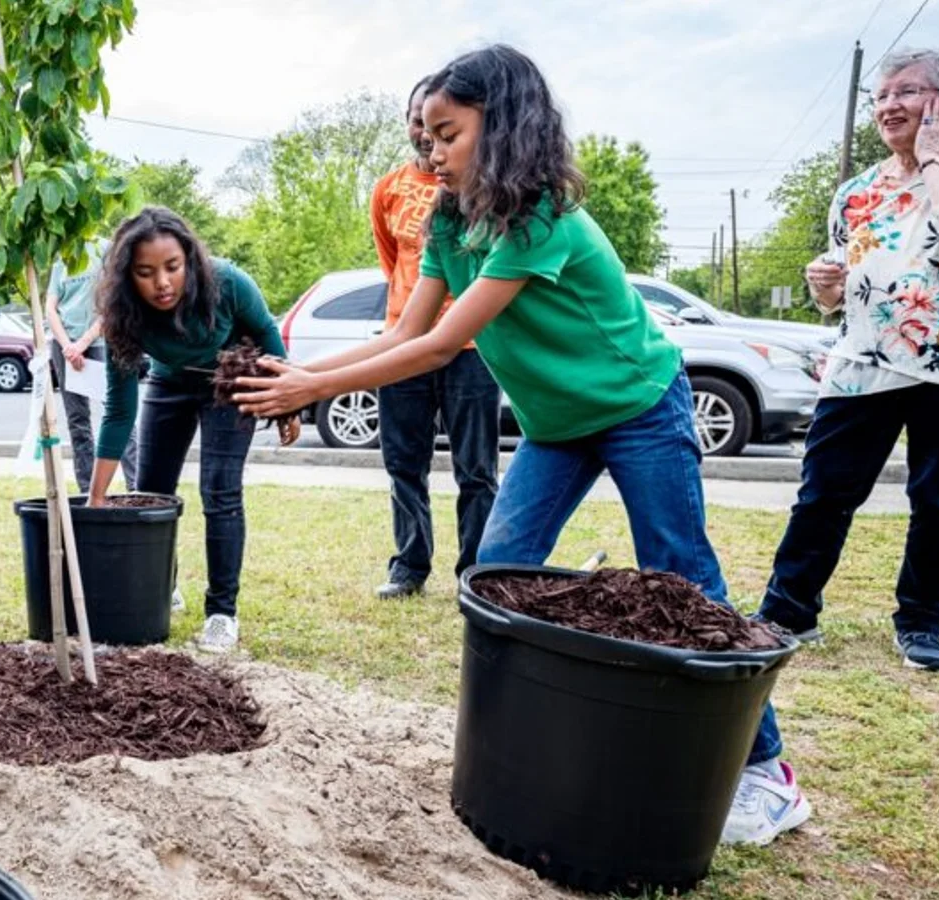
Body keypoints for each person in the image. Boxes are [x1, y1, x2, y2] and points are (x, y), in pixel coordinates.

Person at [235, 45, 809, 846]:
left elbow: (442, 348)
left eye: (447, 132)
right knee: (494, 573)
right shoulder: (445, 219)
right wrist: (300, 371)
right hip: (556, 428)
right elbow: (406, 326)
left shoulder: (542, 216)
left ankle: (765, 771)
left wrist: (310, 390)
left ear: (500, 125)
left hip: (638, 406)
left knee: (683, 576)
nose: (430, 150)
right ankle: (510, 742)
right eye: (424, 137)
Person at [755, 47, 939, 672]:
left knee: (938, 501)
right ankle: (788, 612)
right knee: (824, 494)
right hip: (862, 362)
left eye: (909, 92)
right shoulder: (858, 193)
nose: (891, 105)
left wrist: (935, 159)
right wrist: (825, 288)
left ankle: (923, 619)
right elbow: (842, 293)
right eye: (882, 95)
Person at [91, 207, 294, 653]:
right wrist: (96, 496)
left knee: (220, 492)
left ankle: (222, 612)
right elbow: (118, 410)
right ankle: (160, 587)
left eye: (172, 267)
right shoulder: (123, 316)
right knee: (151, 492)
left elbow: (267, 332)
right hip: (169, 382)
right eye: (146, 272)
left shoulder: (227, 282)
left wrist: (287, 404)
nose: (162, 283)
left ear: (190, 260)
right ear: (129, 277)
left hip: (229, 378)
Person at [369, 76, 500, 600]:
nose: (427, 135)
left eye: (440, 126)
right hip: (404, 345)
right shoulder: (387, 190)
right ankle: (409, 565)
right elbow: (391, 261)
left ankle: (475, 572)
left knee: (477, 471)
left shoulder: (476, 188)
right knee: (403, 464)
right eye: (418, 120)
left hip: (470, 349)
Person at [47, 238, 139, 494]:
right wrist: (68, 346)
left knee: (119, 413)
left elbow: (111, 304)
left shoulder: (104, 249)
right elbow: (50, 307)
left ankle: (136, 485)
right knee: (78, 421)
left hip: (100, 342)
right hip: (65, 347)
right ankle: (87, 490)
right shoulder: (62, 254)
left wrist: (84, 342)